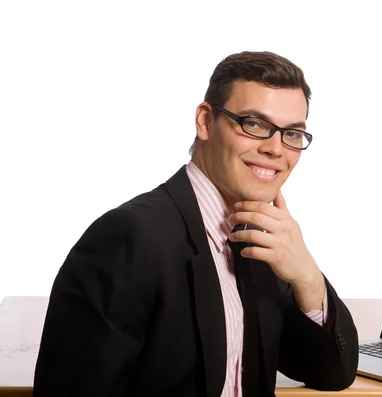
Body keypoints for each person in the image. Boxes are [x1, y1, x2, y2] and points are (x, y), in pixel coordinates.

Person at [33, 51, 358, 397]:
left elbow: (331, 372)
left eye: (292, 133)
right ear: (205, 121)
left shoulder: (264, 239)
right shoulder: (128, 239)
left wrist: (307, 275)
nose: (275, 149)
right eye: (255, 124)